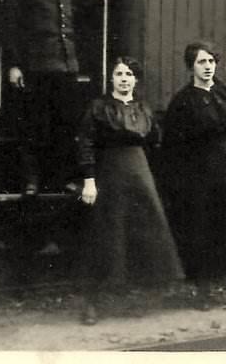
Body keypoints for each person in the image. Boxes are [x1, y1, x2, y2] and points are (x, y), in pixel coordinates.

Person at [3, 0, 109, 196]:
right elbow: (11, 23)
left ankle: (59, 179)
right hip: (36, 63)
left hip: (66, 64)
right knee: (35, 125)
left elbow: (75, 16)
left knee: (65, 125)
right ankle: (31, 180)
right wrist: (15, 64)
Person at [76, 57, 183, 325]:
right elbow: (86, 143)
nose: (124, 78)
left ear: (136, 80)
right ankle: (92, 303)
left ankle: (139, 298)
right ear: (111, 78)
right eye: (119, 73)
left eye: (129, 74)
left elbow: (156, 142)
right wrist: (89, 180)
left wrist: (155, 176)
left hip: (140, 174)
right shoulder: (98, 107)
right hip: (110, 174)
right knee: (107, 234)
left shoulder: (144, 108)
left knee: (146, 233)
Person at [159, 41, 226, 309]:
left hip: (224, 164)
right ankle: (204, 290)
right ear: (191, 66)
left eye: (211, 62)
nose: (208, 67)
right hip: (196, 169)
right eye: (201, 62)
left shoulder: (225, 93)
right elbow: (172, 141)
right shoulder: (182, 100)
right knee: (200, 227)